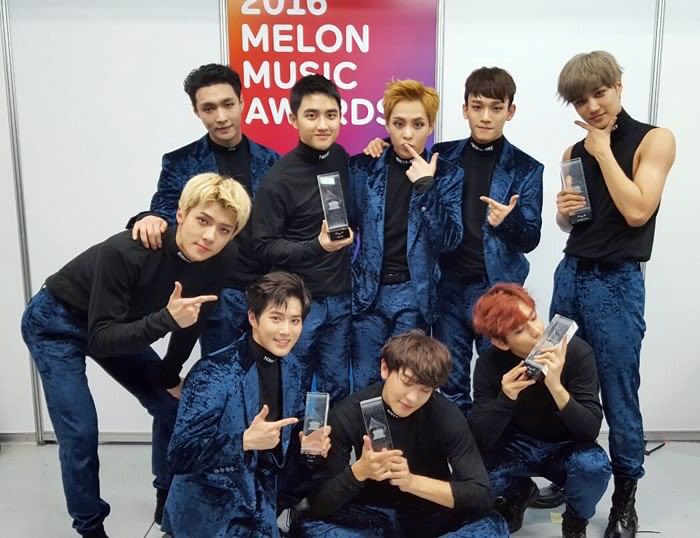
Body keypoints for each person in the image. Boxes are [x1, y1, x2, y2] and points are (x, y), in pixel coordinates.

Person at [21, 174, 251, 537]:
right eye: (203, 220)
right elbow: (102, 339)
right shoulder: (127, 251)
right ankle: (90, 528)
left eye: (224, 229)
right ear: (181, 214)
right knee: (80, 432)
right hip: (56, 321)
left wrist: (169, 374)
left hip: (116, 324)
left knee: (173, 407)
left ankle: (166, 497)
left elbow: (194, 315)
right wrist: (165, 319)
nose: (210, 236)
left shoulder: (223, 257)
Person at [551, 50, 675, 538]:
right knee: (554, 375)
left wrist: (602, 151)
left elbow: (638, 210)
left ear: (618, 86)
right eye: (581, 101)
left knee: (619, 390)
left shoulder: (654, 139)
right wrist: (563, 212)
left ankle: (625, 497)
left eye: (599, 94)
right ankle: (567, 474)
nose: (592, 107)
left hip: (617, 282)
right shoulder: (571, 151)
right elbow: (575, 222)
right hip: (571, 274)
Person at [295, 330, 509, 537]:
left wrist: (410, 482)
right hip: (372, 513)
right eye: (407, 382)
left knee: (493, 525)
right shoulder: (349, 412)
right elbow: (320, 503)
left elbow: (481, 494)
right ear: (385, 369)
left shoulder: (446, 413)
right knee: (308, 527)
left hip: (431, 510)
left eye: (425, 390)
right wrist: (359, 471)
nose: (412, 398)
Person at [163, 271, 327, 537]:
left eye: (295, 320)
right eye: (276, 318)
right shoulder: (213, 372)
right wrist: (242, 442)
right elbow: (179, 457)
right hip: (210, 514)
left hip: (259, 508)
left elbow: (284, 450)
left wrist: (309, 447)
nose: (286, 331)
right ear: (253, 318)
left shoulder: (294, 369)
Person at [130, 63, 279, 355]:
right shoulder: (180, 162)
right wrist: (149, 217)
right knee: (219, 373)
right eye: (209, 108)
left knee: (271, 375)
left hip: (268, 293)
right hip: (214, 294)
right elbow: (165, 208)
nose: (221, 117)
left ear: (242, 102)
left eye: (228, 104)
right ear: (196, 111)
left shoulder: (274, 162)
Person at [430, 67, 543, 416]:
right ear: (464, 109)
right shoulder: (442, 156)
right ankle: (461, 447)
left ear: (510, 111)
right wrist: (377, 146)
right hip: (448, 287)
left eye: (496, 108)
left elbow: (531, 238)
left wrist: (508, 223)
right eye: (477, 107)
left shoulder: (527, 168)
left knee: (499, 381)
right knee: (450, 381)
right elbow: (402, 159)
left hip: (497, 290)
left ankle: (497, 449)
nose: (485, 117)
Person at [348, 80, 463, 391]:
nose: (407, 134)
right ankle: (370, 428)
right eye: (398, 124)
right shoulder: (362, 167)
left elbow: (450, 240)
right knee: (365, 385)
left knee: (406, 382)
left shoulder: (447, 174)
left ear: (431, 127)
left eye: (418, 124)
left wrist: (426, 188)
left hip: (414, 296)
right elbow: (345, 229)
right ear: (387, 124)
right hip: (367, 296)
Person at [470, 283, 611, 537]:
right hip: (516, 446)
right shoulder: (488, 364)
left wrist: (556, 386)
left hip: (565, 446)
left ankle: (576, 520)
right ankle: (519, 492)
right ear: (501, 342)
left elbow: (590, 430)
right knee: (473, 480)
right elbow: (479, 439)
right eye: (520, 330)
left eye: (534, 317)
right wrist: (505, 398)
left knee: (594, 466)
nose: (537, 331)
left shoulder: (577, 352)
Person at [252, 74, 355, 403]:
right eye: (312, 115)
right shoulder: (277, 180)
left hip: (340, 299)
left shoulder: (340, 157)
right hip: (298, 307)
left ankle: (330, 441)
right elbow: (263, 246)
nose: (322, 125)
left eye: (330, 115)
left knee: (337, 389)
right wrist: (317, 246)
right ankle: (291, 441)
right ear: (293, 119)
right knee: (292, 389)